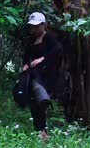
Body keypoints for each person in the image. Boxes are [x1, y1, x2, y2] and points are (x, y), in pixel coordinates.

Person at [22, 12, 62, 140]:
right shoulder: (31, 39)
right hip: (34, 76)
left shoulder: (49, 37)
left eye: (36, 26)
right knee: (34, 102)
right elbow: (26, 55)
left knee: (41, 102)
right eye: (32, 27)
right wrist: (25, 65)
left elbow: (57, 50)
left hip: (47, 76)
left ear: (43, 25)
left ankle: (43, 131)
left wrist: (42, 58)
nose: (33, 29)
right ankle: (42, 131)